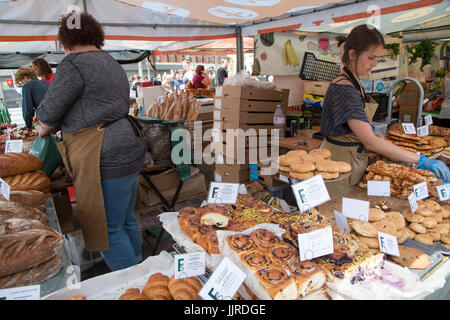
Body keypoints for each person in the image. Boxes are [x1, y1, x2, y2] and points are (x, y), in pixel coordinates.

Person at [35, 12, 147, 272]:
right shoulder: (110, 61)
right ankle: (142, 270)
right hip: (128, 146)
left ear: (66, 41)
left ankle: (136, 283)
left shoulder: (73, 64)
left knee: (107, 228)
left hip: (102, 152)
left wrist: (43, 128)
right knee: (126, 219)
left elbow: (48, 114)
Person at [320, 24, 449, 194]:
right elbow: (370, 142)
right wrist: (422, 160)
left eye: (378, 58)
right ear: (352, 54)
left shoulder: (353, 81)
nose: (375, 64)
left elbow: (357, 129)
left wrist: (371, 133)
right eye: (371, 58)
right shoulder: (345, 89)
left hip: (351, 158)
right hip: (340, 164)